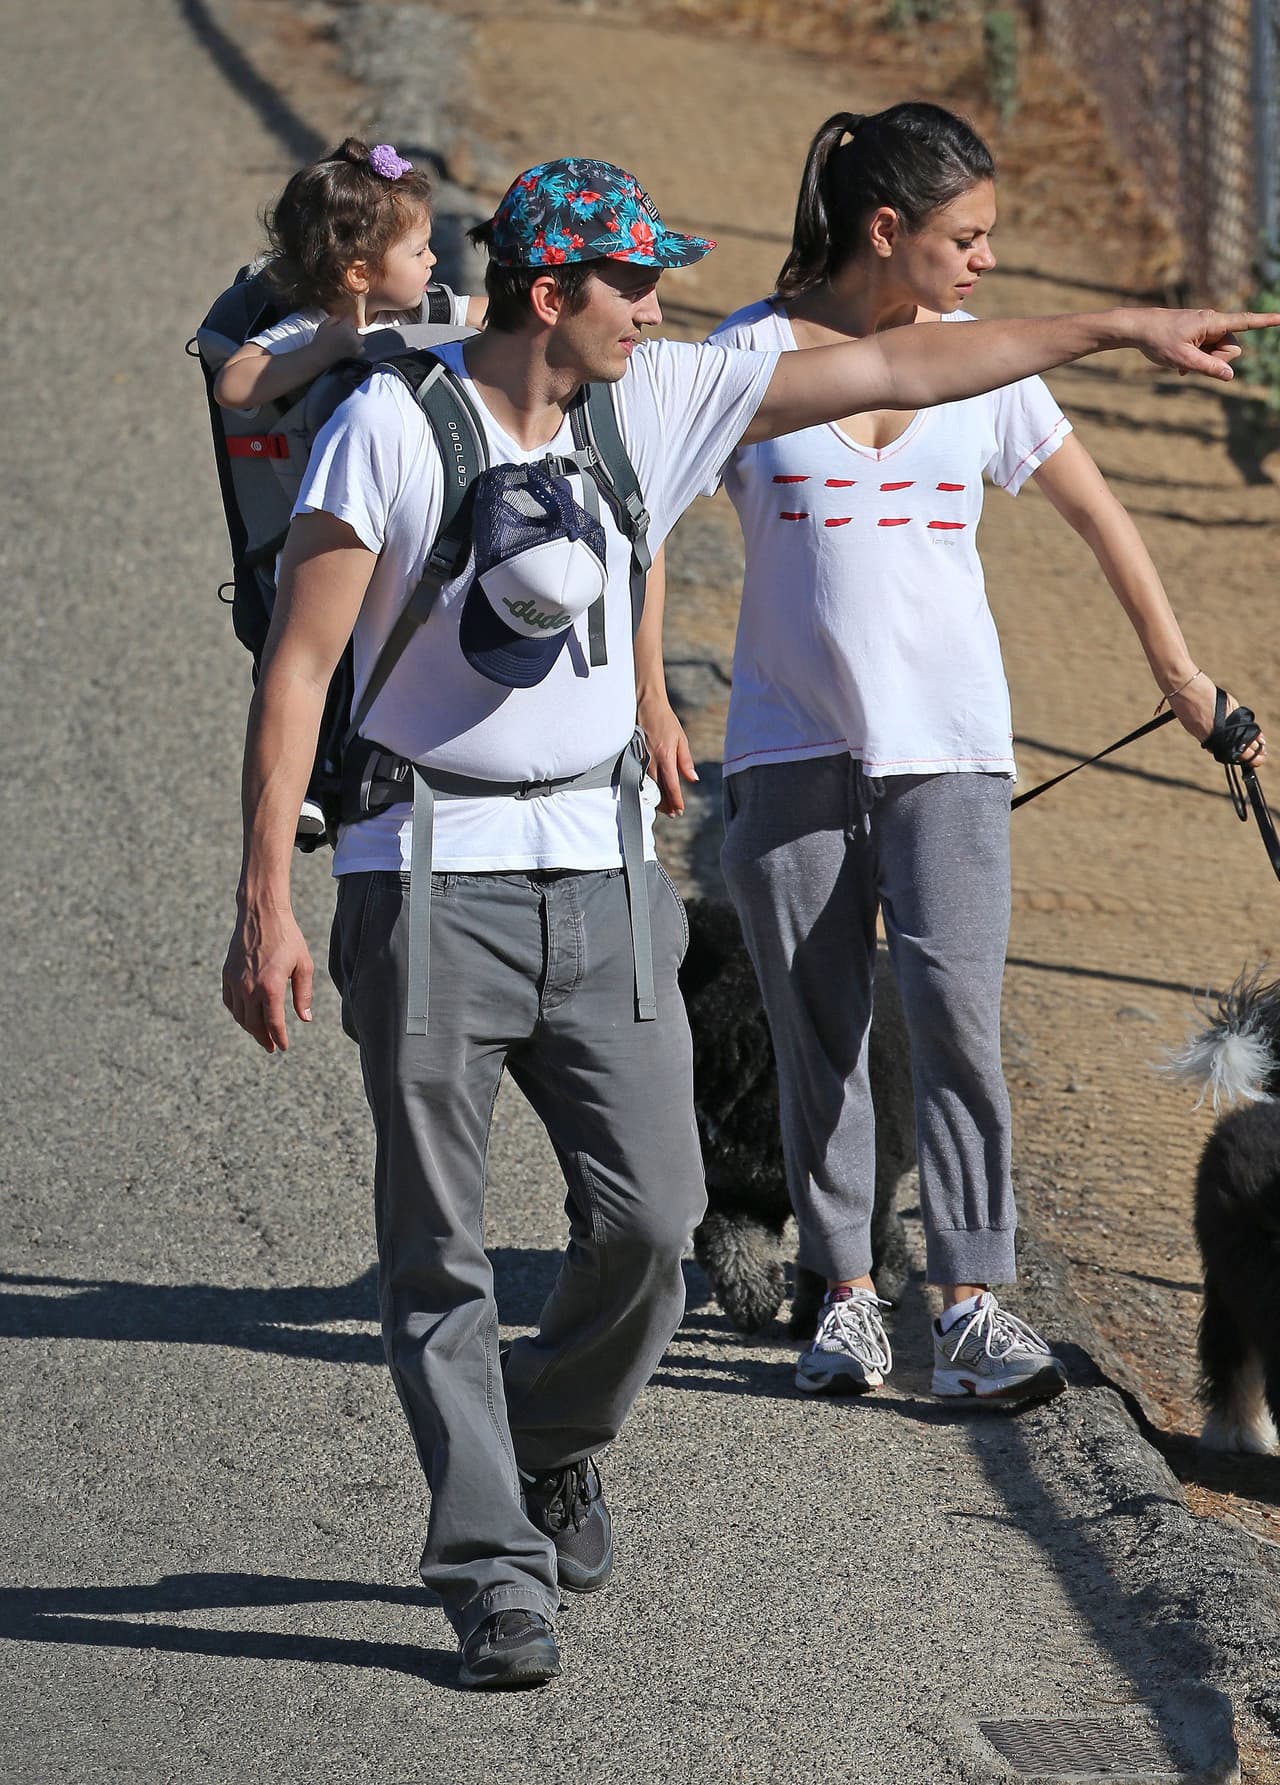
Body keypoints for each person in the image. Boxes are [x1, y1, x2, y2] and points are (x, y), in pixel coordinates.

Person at [221, 150, 1274, 1690]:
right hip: (425, 871)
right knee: (438, 1251)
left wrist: (1114, 328)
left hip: (602, 875)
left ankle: (551, 1440)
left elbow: (914, 358)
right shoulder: (390, 428)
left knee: (653, 1222)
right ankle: (491, 1565)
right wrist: (265, 897)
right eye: (634, 285)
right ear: (548, 293)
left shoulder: (650, 404)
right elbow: (299, 672)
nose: (659, 310)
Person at [636, 104, 1267, 1411]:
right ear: (888, 231)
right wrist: (650, 698)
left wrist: (1180, 674)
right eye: (965, 237)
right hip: (788, 747)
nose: (984, 260)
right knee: (815, 1028)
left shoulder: (987, 366)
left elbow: (1099, 513)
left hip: (954, 751)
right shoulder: (751, 357)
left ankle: (974, 1299)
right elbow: (637, 522)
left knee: (954, 1022)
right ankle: (846, 1294)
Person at [212, 136, 485, 413]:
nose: (432, 258)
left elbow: (492, 313)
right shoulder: (313, 329)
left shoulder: (417, 309)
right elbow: (229, 386)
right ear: (359, 274)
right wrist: (317, 355)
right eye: (419, 252)